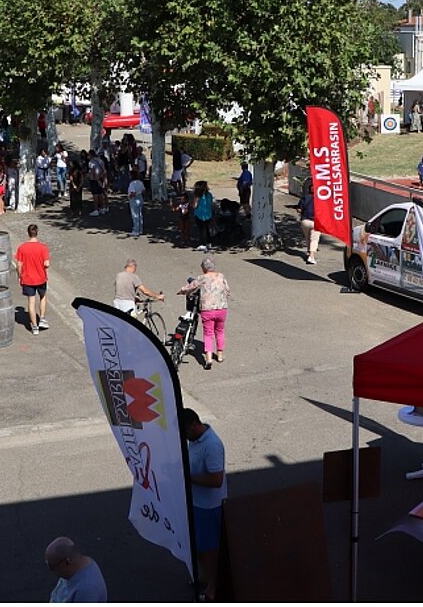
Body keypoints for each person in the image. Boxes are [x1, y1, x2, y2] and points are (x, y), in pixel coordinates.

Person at [181, 408, 227, 602]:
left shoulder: (212, 445)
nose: (183, 436)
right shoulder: (194, 440)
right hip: (197, 503)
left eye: (184, 431)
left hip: (210, 507)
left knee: (209, 551)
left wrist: (188, 478)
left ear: (194, 424)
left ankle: (214, 588)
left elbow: (217, 480)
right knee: (198, 547)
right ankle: (206, 578)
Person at [178, 256, 230, 370]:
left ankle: (208, 358)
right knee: (220, 331)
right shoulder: (221, 276)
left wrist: (181, 291)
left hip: (207, 309)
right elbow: (227, 290)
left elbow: (191, 287)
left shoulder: (202, 278)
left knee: (208, 333)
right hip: (221, 309)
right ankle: (220, 355)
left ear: (204, 268)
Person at [44, 537, 108, 603]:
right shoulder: (75, 566)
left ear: (67, 562)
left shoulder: (86, 589)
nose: (50, 570)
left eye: (52, 567)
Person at [15, 224, 51, 334]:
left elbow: (19, 265)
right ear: (37, 232)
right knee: (42, 296)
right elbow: (47, 264)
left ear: (28, 233)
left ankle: (34, 327)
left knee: (31, 302)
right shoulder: (43, 247)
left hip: (27, 279)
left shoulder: (22, 248)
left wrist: (19, 276)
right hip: (41, 278)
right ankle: (42, 318)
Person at [298, 183, 318, 264]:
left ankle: (308, 252)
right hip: (316, 222)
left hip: (305, 221)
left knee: (307, 238)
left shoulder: (304, 198)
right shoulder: (320, 200)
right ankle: (311, 256)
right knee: (314, 239)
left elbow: (299, 209)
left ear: (308, 190)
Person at [192, 181, 214, 252]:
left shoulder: (197, 196)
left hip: (199, 215)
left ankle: (203, 244)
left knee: (201, 230)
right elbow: (211, 204)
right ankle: (209, 243)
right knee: (207, 229)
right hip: (208, 214)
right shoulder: (209, 195)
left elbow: (194, 206)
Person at [127, 171, 146, 236]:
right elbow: (143, 190)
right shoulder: (140, 182)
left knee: (135, 215)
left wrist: (129, 196)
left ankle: (136, 230)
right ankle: (140, 229)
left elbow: (133, 193)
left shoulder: (132, 184)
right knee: (140, 214)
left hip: (134, 199)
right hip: (140, 198)